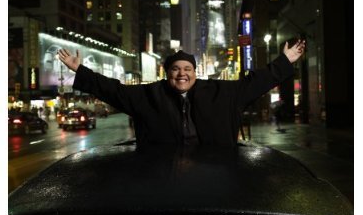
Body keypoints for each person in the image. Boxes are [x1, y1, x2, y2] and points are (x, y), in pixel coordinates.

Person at [58, 40, 305, 147]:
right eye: (175, 69)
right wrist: (81, 70)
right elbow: (113, 90)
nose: (182, 74)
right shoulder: (150, 95)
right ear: (167, 73)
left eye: (187, 69)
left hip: (214, 176)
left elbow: (255, 83)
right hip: (161, 178)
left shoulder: (220, 92)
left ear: (195, 72)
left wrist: (284, 61)